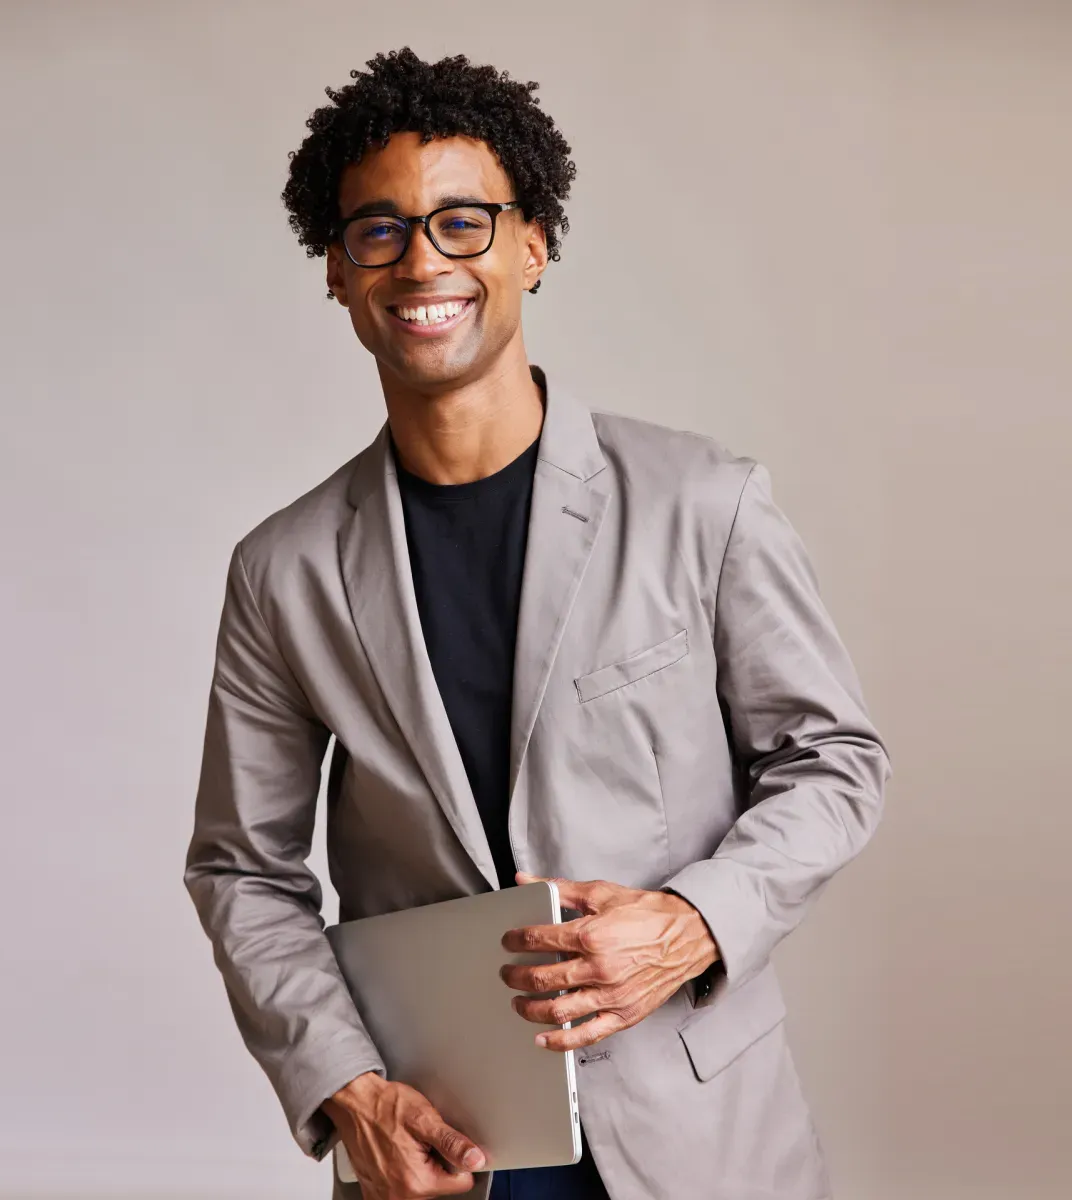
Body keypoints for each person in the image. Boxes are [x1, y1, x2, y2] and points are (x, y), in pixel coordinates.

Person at [183, 46, 890, 1200]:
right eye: (380, 230)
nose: (422, 261)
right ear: (337, 268)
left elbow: (836, 760)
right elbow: (241, 871)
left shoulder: (701, 501)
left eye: (464, 221)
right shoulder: (283, 571)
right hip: (438, 1151)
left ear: (533, 244)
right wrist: (349, 1093)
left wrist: (693, 922)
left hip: (702, 1140)